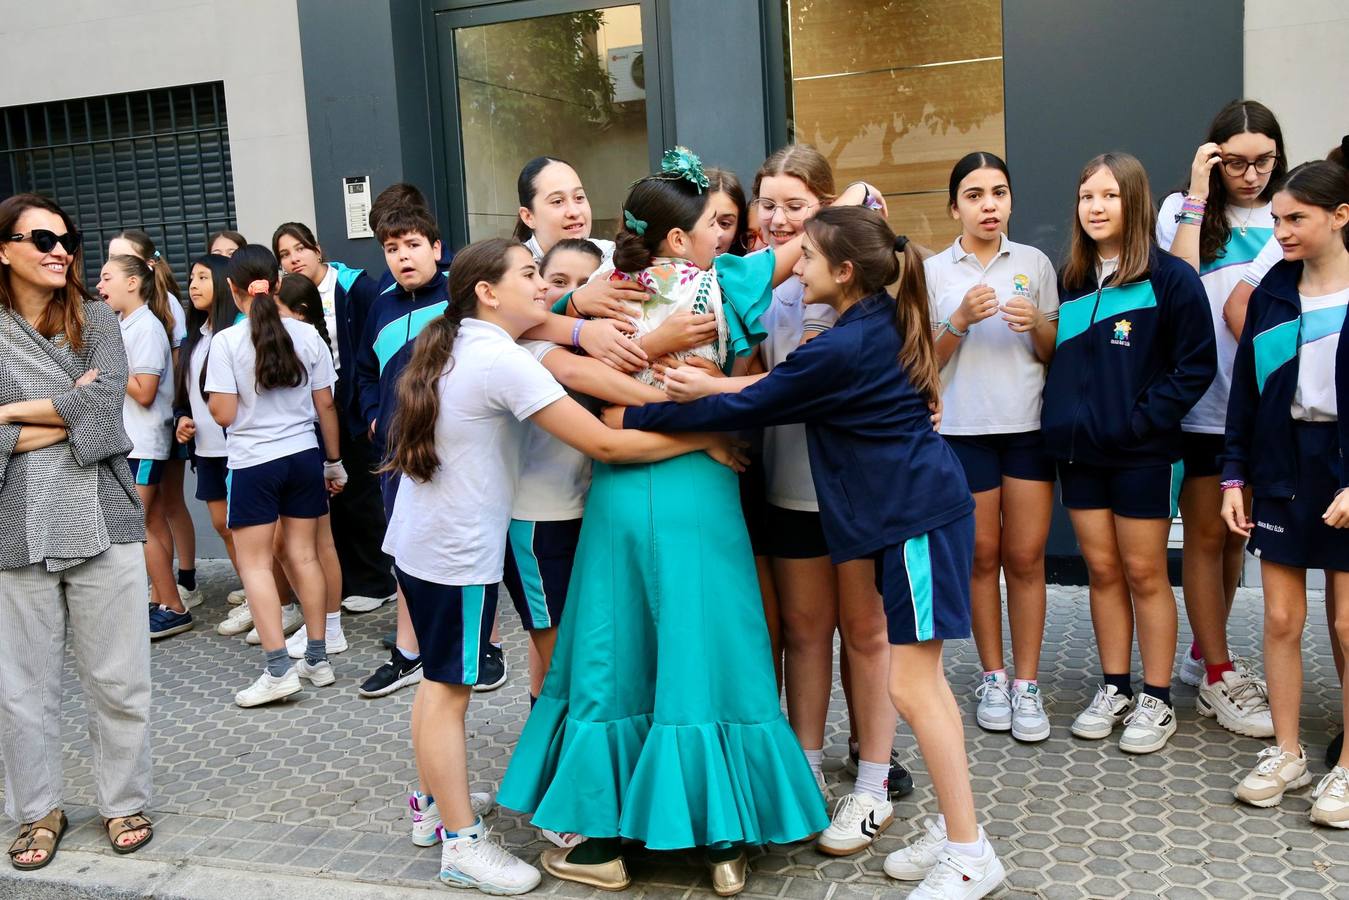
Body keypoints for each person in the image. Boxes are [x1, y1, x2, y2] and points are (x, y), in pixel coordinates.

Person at [616, 204, 1006, 899]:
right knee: (920, 683)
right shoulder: (862, 325)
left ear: (844, 271)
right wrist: (713, 387)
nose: (798, 262)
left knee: (915, 685)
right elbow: (778, 392)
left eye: (810, 255)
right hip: (911, 516)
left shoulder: (845, 342)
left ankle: (971, 852)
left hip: (916, 519)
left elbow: (758, 401)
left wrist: (636, 409)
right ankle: (954, 832)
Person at [499, 148, 828, 897]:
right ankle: (722, 843)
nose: (727, 232)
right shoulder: (728, 280)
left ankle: (604, 843)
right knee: (707, 645)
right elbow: (802, 244)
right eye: (714, 222)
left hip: (620, 483)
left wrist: (579, 315)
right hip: (704, 482)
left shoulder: (603, 289)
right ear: (680, 237)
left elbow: (519, 329)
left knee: (614, 653)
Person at [381, 236, 744, 893]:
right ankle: (461, 845)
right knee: (447, 690)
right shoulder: (499, 360)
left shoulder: (466, 336)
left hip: (423, 539)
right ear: (488, 293)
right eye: (529, 275)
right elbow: (605, 440)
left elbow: (556, 325)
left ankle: (435, 805)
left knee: (439, 683)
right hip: (455, 549)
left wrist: (582, 322)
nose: (542, 286)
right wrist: (705, 434)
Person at [748, 144, 912, 850]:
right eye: (769, 204)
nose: (780, 218)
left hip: (858, 494)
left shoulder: (863, 286)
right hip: (787, 486)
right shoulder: (756, 287)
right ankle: (805, 769)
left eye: (797, 204)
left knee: (867, 634)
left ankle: (872, 780)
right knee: (806, 633)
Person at [1042, 152, 1216, 755]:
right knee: (1104, 572)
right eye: (1087, 196)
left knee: (1145, 573)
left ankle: (1158, 698)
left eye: (1109, 196)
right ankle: (1115, 686)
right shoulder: (1071, 281)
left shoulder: (1171, 279)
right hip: (1080, 455)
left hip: (1143, 454)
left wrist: (1141, 421)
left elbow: (1196, 366)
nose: (1095, 207)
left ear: (1134, 202)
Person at [0, 193, 154, 869]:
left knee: (120, 679)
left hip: (103, 520)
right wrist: (68, 410)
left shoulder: (95, 319)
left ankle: (122, 800)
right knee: (20, 689)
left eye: (67, 238)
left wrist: (6, 417)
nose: (59, 249)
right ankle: (38, 811)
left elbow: (107, 413)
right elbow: (84, 408)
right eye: (40, 237)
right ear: (3, 248)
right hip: (14, 530)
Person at [1222, 160, 1349, 826]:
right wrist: (1233, 476)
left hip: (1342, 467)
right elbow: (1244, 393)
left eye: (1295, 217)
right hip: (1280, 466)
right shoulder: (1273, 289)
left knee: (1346, 624)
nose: (1281, 230)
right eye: (1275, 219)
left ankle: (1347, 770)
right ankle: (1287, 752)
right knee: (1278, 620)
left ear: (1340, 216)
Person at [1157, 100, 1284, 739]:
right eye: (1236, 161)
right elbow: (1177, 275)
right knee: (1206, 533)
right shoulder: (1186, 211)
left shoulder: (1287, 215)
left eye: (1264, 160)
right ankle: (1217, 675)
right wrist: (1199, 191)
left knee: (1236, 534)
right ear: (1212, 157)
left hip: (1264, 401)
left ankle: (1207, 653)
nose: (1252, 174)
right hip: (1205, 402)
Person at [926, 151, 1059, 743]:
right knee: (981, 557)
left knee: (1027, 559)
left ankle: (1027, 684)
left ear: (1011, 201)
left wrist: (1037, 324)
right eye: (975, 195)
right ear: (954, 206)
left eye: (999, 193)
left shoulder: (1034, 263)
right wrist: (956, 319)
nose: (988, 205)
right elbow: (922, 365)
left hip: (1028, 426)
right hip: (961, 429)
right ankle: (993, 676)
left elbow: (1057, 354)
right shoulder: (931, 272)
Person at [204, 245, 347, 707]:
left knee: (255, 565)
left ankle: (278, 670)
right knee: (305, 557)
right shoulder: (307, 336)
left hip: (254, 464)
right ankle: (319, 660)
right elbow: (326, 404)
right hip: (304, 456)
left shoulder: (226, 342)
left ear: (232, 289)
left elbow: (223, 413)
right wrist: (333, 461)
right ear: (279, 283)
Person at [273, 222, 398, 618]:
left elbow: (371, 343)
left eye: (300, 249)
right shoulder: (286, 297)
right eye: (285, 254)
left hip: (353, 400)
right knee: (334, 499)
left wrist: (368, 401)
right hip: (316, 404)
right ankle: (347, 579)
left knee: (362, 493)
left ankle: (378, 581)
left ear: (318, 249)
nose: (294, 259)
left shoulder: (354, 287)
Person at [97, 253, 191, 639]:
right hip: (133, 441)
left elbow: (146, 391)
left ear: (133, 283)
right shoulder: (124, 323)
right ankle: (163, 599)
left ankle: (174, 606)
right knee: (149, 520)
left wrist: (103, 374)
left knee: (140, 522)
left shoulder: (147, 327)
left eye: (107, 278)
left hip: (146, 442)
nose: (99, 287)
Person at [174, 255, 250, 633]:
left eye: (203, 277)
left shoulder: (236, 331)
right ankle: (254, 594)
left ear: (224, 283)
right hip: (205, 449)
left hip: (236, 447)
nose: (193, 284)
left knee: (243, 528)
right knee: (222, 525)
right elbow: (188, 396)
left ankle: (266, 599)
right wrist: (183, 419)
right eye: (191, 278)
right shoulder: (195, 337)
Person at [275, 273, 350, 660]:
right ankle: (318, 622)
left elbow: (326, 405)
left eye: (280, 310)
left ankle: (330, 628)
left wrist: (333, 462)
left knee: (319, 545)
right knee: (293, 545)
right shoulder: (290, 340)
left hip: (311, 446)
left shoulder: (309, 342)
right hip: (303, 448)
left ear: (300, 314)